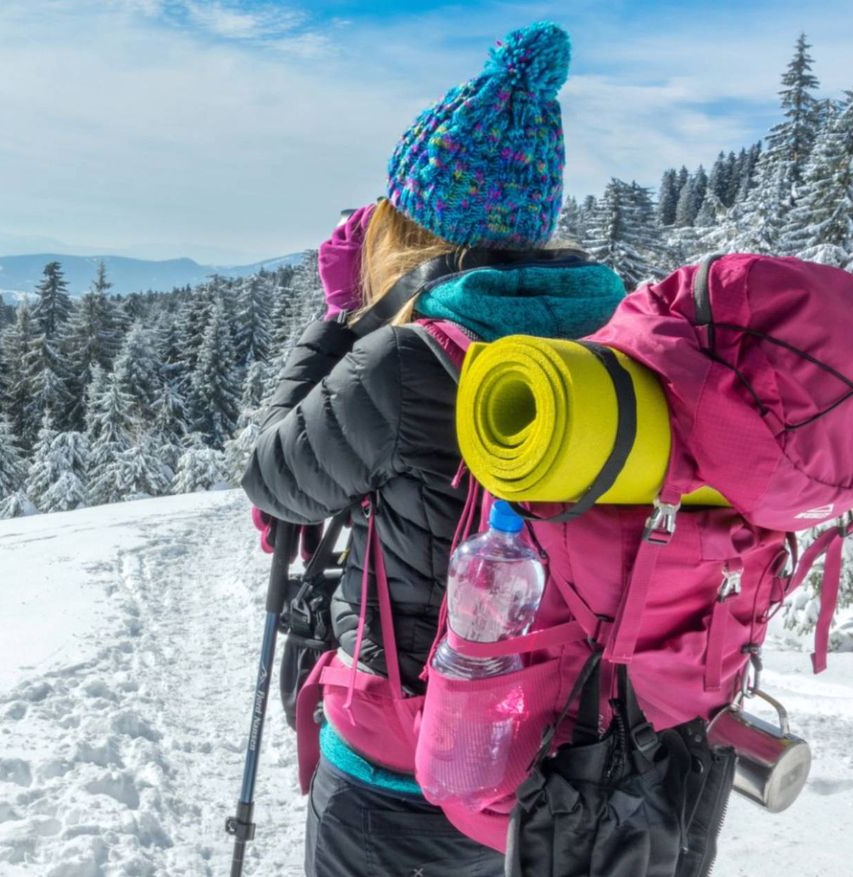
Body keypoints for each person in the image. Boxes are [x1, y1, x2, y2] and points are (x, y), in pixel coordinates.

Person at [242, 21, 627, 876]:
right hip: (545, 766)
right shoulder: (606, 347)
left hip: (400, 774)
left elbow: (272, 474)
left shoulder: (408, 363)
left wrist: (342, 320)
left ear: (414, 226)